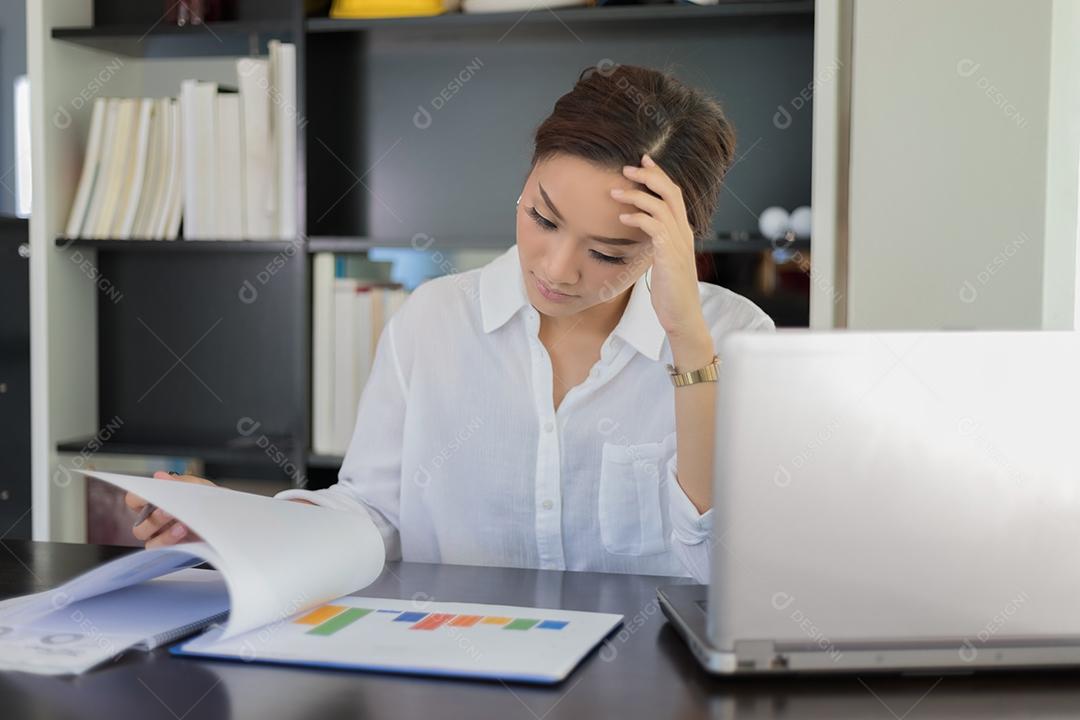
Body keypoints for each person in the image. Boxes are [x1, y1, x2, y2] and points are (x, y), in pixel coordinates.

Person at [126, 63, 774, 582]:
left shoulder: (734, 339)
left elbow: (726, 571)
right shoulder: (432, 320)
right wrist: (234, 525)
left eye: (607, 252)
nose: (556, 268)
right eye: (542, 218)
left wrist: (688, 341)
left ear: (674, 244)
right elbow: (374, 514)